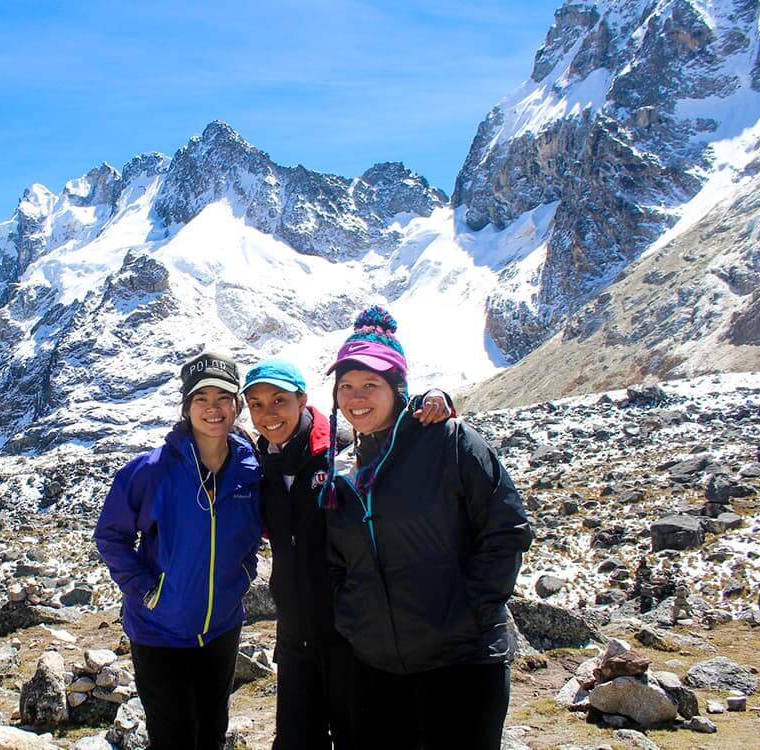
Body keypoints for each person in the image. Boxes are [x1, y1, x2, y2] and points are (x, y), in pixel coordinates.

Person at [321, 306, 533, 750]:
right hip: (376, 664)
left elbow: (506, 528)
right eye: (346, 386)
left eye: (370, 385)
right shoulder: (342, 470)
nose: (356, 397)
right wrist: (354, 619)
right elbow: (338, 560)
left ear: (398, 389)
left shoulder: (450, 442)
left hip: (461, 661)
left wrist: (468, 611)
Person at [242, 358, 453, 750]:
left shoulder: (341, 449)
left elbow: (394, 438)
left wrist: (432, 399)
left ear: (302, 400)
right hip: (294, 635)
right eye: (256, 404)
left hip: (351, 634)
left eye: (279, 401)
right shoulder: (259, 462)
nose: (268, 414)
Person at [94, 351, 263, 750]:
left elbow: (256, 532)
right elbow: (111, 535)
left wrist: (242, 576)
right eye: (201, 398)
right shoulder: (152, 470)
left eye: (222, 397)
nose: (213, 408)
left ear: (236, 404)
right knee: (173, 737)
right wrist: (146, 590)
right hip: (158, 631)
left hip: (221, 627)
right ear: (186, 407)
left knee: (212, 731)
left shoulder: (252, 469)